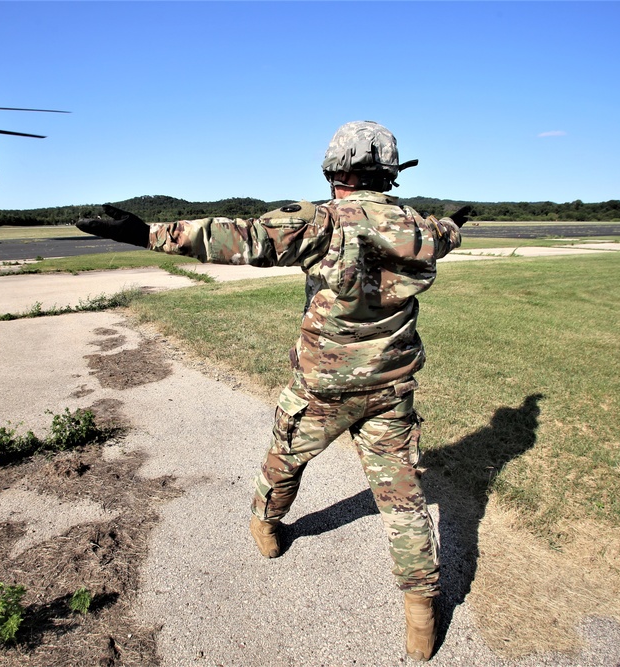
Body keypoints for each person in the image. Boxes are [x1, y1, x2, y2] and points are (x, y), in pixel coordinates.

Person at [81, 121, 467, 661]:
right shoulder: (420, 227)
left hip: (323, 388)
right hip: (389, 389)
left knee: (283, 462)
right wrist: (452, 220)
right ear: (388, 172)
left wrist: (146, 234)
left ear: (337, 171)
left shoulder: (322, 221)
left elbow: (243, 237)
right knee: (403, 504)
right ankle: (421, 620)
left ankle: (266, 530)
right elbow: (445, 235)